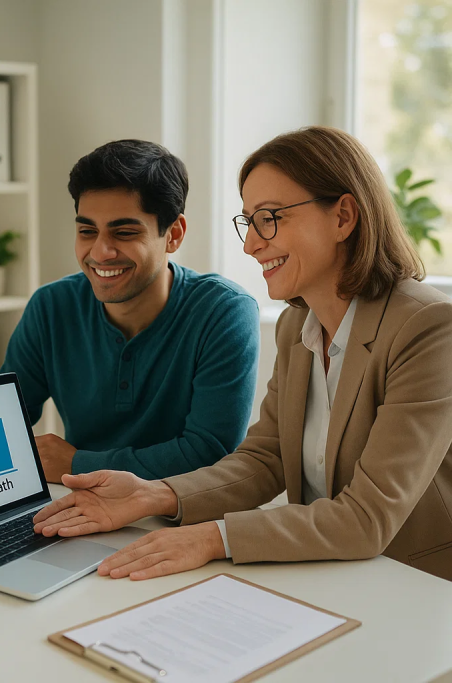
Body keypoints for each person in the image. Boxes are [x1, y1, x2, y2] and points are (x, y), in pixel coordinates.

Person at [33, 126, 452, 582]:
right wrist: (153, 495)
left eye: (270, 217)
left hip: (414, 587)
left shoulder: (427, 328)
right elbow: (264, 459)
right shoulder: (298, 326)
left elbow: (366, 519)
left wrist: (212, 538)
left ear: (343, 217)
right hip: (325, 574)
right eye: (249, 221)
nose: (252, 244)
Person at [0, 139, 260, 483]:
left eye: (124, 232)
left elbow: (209, 453)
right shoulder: (51, 307)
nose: (100, 252)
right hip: (80, 504)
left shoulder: (223, 313)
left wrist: (77, 464)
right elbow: (3, 423)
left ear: (174, 235)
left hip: (180, 515)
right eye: (86, 231)